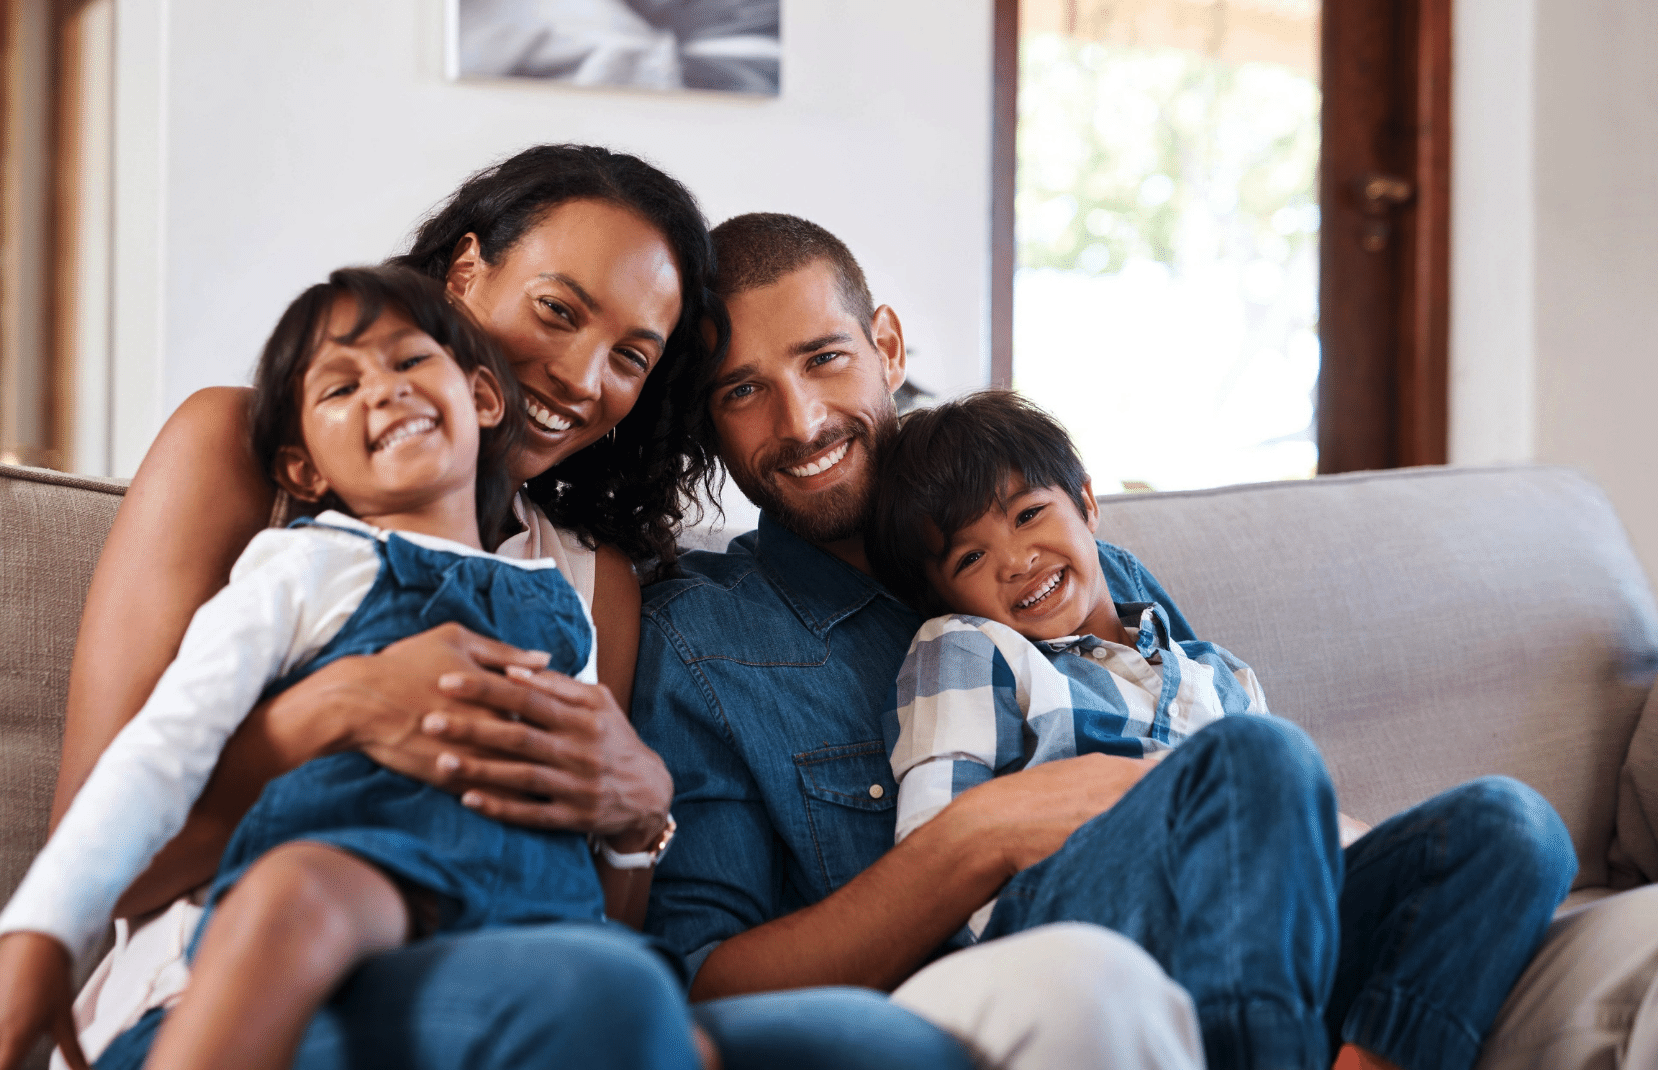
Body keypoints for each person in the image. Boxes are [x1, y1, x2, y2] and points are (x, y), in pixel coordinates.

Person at [0, 150, 970, 1070]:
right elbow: (110, 843)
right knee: (596, 998)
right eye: (556, 310)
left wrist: (636, 810)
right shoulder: (255, 461)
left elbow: (595, 911)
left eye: (630, 356)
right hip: (212, 985)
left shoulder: (594, 581)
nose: (582, 378)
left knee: (879, 1046)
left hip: (508, 955)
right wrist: (341, 708)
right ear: (465, 272)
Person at [632, 210, 1658, 1070]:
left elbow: (1226, 752)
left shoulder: (1079, 564)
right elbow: (702, 975)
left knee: (1508, 823)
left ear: (887, 346)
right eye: (741, 390)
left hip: (1227, 921)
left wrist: (1314, 821)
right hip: (1028, 962)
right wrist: (981, 831)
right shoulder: (707, 633)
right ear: (708, 422)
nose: (801, 417)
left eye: (823, 358)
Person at [0, 265, 715, 1070]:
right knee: (296, 891)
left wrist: (633, 818)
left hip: (524, 911)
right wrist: (43, 930)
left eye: (410, 363)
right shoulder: (304, 567)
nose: (384, 391)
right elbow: (158, 752)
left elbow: (584, 799)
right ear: (306, 469)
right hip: (359, 877)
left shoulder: (561, 604)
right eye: (340, 389)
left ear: (483, 398)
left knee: (671, 1029)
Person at [863, 388, 1577, 1070]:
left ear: (1084, 501)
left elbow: (1290, 816)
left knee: (1515, 823)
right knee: (1255, 755)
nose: (1015, 561)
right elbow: (940, 864)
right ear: (945, 593)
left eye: (1027, 515)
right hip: (1082, 923)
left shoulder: (1219, 674)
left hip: (1268, 932)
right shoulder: (965, 646)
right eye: (971, 558)